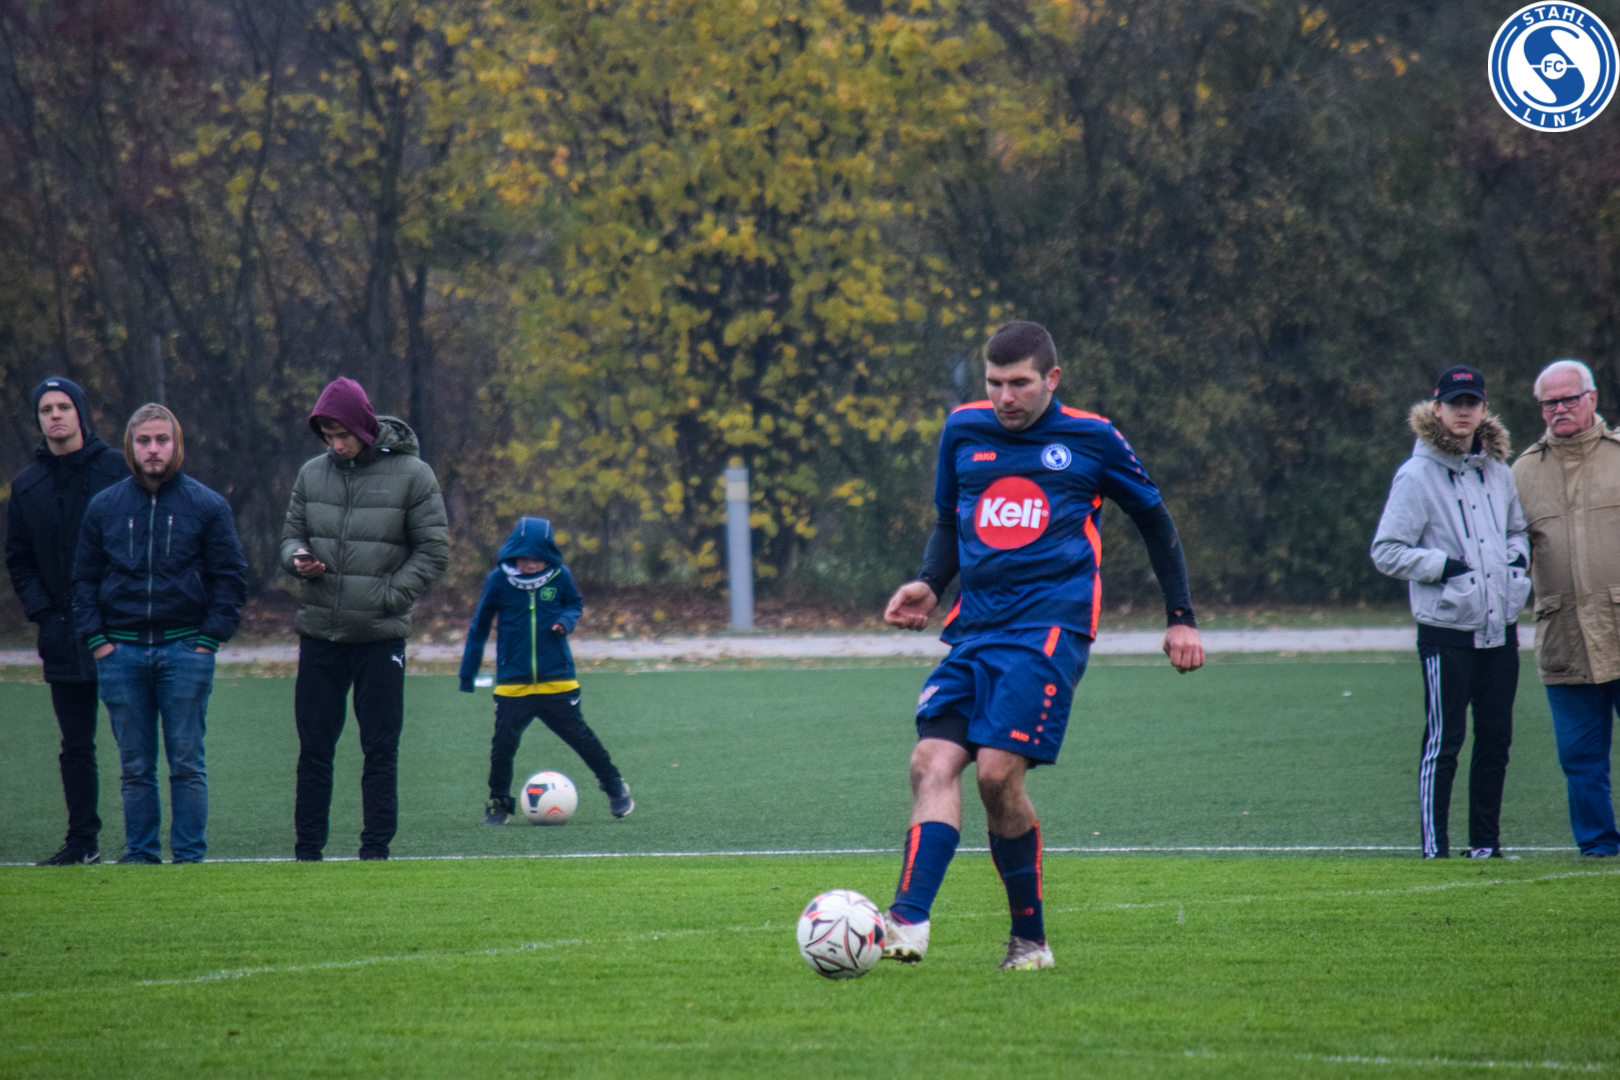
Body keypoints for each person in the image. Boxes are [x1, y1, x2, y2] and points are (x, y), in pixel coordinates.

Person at [880, 321, 1204, 971]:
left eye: (1020, 383)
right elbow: (949, 519)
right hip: (975, 629)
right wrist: (929, 583)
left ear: (1052, 379)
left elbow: (1153, 518)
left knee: (997, 774)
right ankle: (907, 922)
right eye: (995, 383)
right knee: (930, 761)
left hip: (1050, 629)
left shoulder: (1093, 437)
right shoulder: (963, 429)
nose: (1005, 397)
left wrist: (1181, 617)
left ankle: (1029, 940)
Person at [281, 377, 448, 861]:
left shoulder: (414, 475)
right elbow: (290, 536)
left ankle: (375, 851)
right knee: (314, 750)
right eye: (327, 436)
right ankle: (307, 852)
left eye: (343, 435)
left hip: (379, 636)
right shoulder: (311, 475)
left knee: (380, 748)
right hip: (320, 634)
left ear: (363, 427)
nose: (335, 445)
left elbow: (434, 550)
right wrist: (297, 559)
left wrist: (390, 595)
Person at [71, 403, 247, 864]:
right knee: (135, 767)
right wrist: (99, 642)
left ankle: (188, 858)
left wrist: (209, 638)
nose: (153, 449)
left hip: (185, 650)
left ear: (177, 445)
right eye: (144, 440)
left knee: (187, 763)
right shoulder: (104, 507)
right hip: (121, 652)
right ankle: (141, 855)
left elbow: (231, 579)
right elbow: (84, 580)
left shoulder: (208, 505)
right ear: (130, 446)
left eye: (162, 440)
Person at [1371, 366, 1529, 860]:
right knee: (1445, 742)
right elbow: (1387, 550)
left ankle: (1485, 845)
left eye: (1472, 403)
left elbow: (1517, 530)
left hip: (1499, 629)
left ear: (1484, 409)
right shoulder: (1416, 475)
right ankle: (1434, 849)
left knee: (1496, 741)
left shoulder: (1498, 472)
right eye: (1455, 403)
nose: (1463, 411)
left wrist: (1516, 563)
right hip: (1447, 631)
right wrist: (1443, 567)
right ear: (1437, 409)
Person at [6, 377, 127, 865]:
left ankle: (143, 842)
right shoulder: (27, 486)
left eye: (63, 406)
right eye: (45, 408)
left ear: (80, 412)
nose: (55, 415)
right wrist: (43, 611)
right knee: (75, 744)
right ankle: (82, 843)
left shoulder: (117, 470)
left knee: (135, 741)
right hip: (61, 634)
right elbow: (19, 559)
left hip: (118, 630)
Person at [1512, 358, 1620, 858]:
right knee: (1579, 758)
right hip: (1564, 640)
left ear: (1592, 398)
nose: (1559, 409)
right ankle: (1598, 848)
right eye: (1549, 402)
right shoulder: (1521, 473)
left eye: (1568, 399)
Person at [458, 517, 633, 823]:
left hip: (557, 681)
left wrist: (565, 621)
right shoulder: (498, 580)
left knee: (582, 739)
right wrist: (467, 672)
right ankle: (499, 803)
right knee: (502, 747)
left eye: (537, 558)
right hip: (513, 684)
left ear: (548, 555)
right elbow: (479, 627)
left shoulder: (561, 576)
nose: (530, 564)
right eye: (523, 557)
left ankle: (615, 787)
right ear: (513, 553)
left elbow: (575, 604)